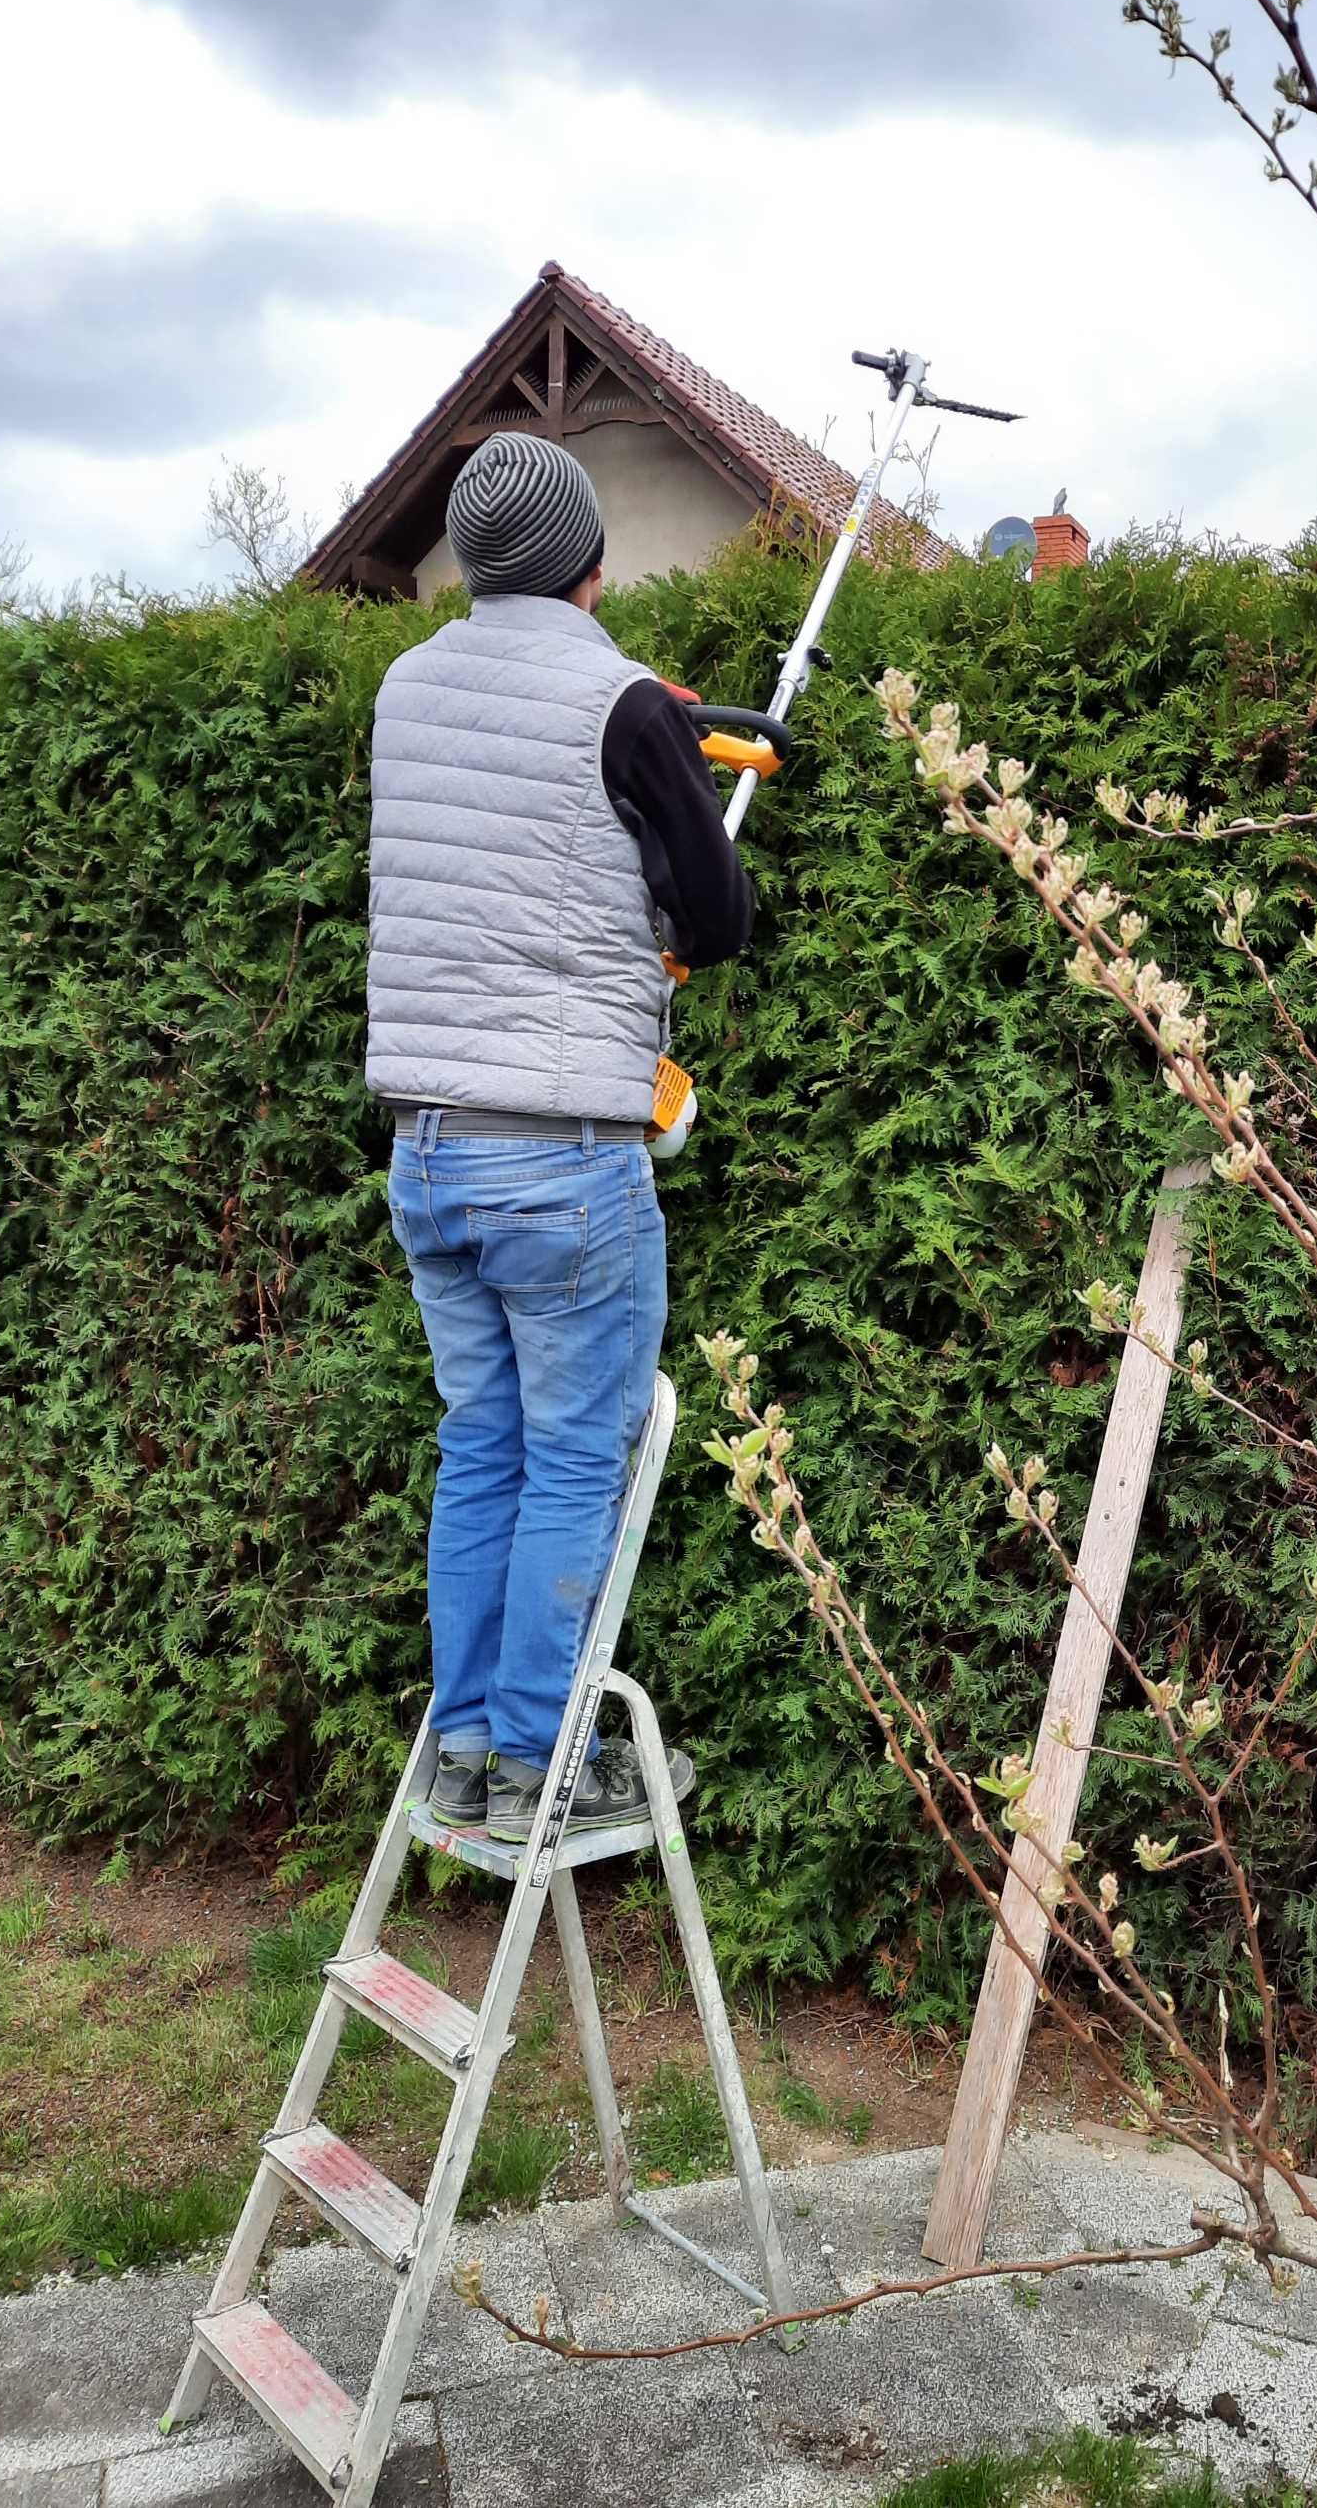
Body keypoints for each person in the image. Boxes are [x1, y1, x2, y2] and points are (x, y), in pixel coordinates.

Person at [365, 429, 752, 1844]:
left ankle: (464, 1750)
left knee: (485, 1446)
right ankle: (542, 1758)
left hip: (429, 1147)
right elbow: (715, 921)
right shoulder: (628, 705)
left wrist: (648, 736)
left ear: (472, 558)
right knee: (578, 1456)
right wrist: (669, 796)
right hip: (564, 1162)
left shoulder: (407, 691)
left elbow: (500, 836)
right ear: (594, 555)